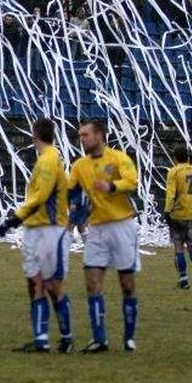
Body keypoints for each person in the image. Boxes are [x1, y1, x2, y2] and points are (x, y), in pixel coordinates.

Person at [0, 118, 74, 354]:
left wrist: (14, 219)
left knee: (52, 284)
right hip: (38, 228)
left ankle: (66, 337)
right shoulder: (47, 159)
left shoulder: (50, 159)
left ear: (34, 135)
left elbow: (40, 196)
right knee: (36, 283)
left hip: (50, 229)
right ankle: (41, 339)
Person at [67, 119, 139, 353]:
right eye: (80, 136)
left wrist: (112, 187)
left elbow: (132, 182)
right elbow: (72, 192)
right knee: (92, 283)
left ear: (100, 136)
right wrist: (74, 211)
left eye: (85, 135)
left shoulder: (119, 158)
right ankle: (100, 339)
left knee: (127, 284)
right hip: (96, 228)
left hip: (122, 226)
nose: (82, 139)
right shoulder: (80, 166)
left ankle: (129, 338)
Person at [163, 145, 192, 289]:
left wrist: (167, 212)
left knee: (178, 247)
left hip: (178, 213)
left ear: (175, 158)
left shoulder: (173, 172)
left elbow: (171, 194)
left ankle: (184, 279)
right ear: (188, 157)